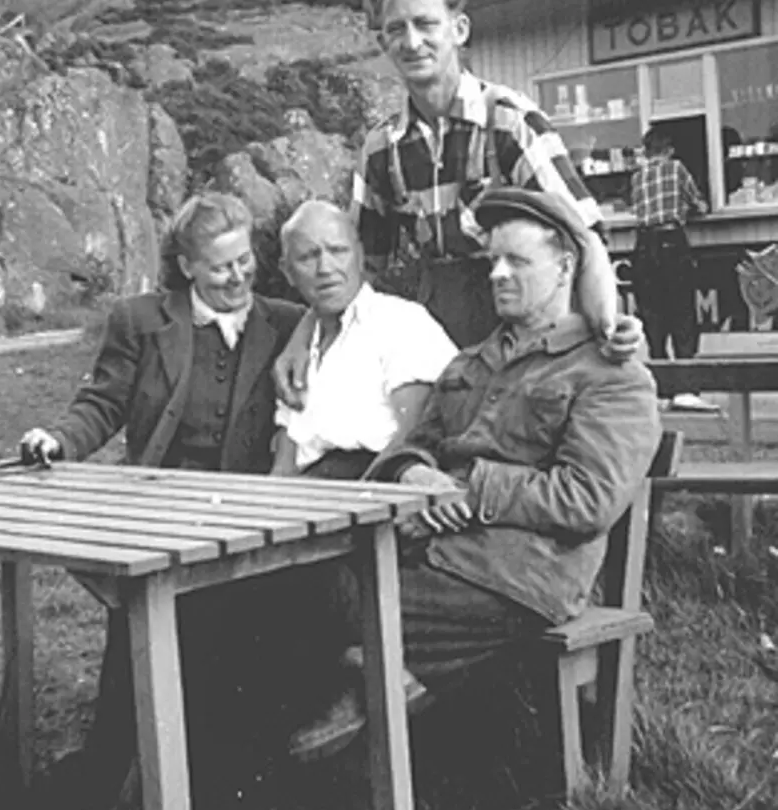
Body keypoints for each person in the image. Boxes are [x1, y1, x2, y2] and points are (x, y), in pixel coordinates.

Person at [293, 186, 661, 755]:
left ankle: (368, 692)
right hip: (431, 556)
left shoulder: (610, 374)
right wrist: (414, 475)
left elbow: (588, 498)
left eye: (518, 261)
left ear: (566, 266)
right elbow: (407, 446)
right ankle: (372, 685)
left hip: (518, 577)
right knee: (295, 585)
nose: (497, 274)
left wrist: (466, 490)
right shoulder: (472, 362)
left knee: (312, 600)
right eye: (492, 260)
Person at [20, 192, 306, 810]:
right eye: (221, 266)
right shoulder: (141, 320)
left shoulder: (289, 321)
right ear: (186, 268)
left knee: (220, 648)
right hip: (155, 511)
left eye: (246, 259)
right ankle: (108, 772)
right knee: (138, 627)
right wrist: (59, 440)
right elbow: (101, 404)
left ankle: (208, 790)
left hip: (242, 515)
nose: (240, 276)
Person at [274, 0, 643, 402]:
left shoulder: (509, 123)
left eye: (425, 24)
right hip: (437, 333)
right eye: (395, 29)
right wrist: (304, 336)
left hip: (521, 326)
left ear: (458, 29)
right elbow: (357, 266)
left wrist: (610, 324)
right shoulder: (381, 148)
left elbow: (584, 237)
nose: (411, 42)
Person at [271, 199, 458, 480]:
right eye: (308, 256)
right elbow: (284, 464)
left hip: (376, 484)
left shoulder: (401, 322)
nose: (325, 267)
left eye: (338, 251)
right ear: (287, 271)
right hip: (310, 493)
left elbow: (417, 436)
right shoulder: (298, 348)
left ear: (359, 256)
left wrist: (361, 498)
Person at [629, 123, 715, 412]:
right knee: (682, 314)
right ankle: (686, 388)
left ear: (646, 151)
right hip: (670, 241)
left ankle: (661, 389)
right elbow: (699, 204)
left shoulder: (637, 177)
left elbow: (638, 209)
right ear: (669, 150)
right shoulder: (676, 169)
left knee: (654, 317)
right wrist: (694, 208)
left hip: (642, 246)